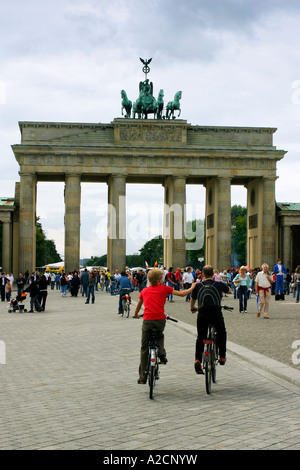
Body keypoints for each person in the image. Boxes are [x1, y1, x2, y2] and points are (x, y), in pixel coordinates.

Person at [133, 268, 196, 384]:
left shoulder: (144, 291)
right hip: (160, 319)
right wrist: (192, 287)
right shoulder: (164, 288)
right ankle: (162, 354)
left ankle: (142, 377)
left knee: (144, 348)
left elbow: (138, 306)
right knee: (159, 336)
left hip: (147, 320)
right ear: (159, 279)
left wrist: (135, 314)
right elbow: (182, 294)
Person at [190, 265, 230, 374]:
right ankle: (222, 356)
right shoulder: (218, 284)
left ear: (202, 274)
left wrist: (192, 308)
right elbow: (229, 290)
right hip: (216, 314)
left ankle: (198, 359)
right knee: (221, 333)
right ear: (213, 274)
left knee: (201, 337)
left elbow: (193, 299)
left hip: (202, 314)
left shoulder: (198, 285)